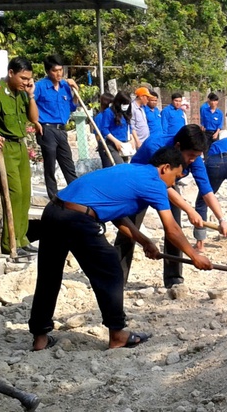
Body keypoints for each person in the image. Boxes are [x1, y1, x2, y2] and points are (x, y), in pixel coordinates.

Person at [28, 146, 213, 351]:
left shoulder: (132, 171)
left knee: (49, 275)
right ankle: (117, 334)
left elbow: (117, 215)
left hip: (54, 211)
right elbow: (173, 230)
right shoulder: (154, 183)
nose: (174, 183)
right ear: (165, 168)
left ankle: (40, 338)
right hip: (77, 219)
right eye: (176, 177)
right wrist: (195, 256)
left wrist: (145, 241)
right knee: (111, 269)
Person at [117, 124, 227, 286]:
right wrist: (190, 210)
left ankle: (173, 278)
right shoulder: (155, 147)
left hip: (168, 185)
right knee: (129, 231)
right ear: (178, 147)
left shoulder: (194, 157)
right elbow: (160, 184)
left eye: (196, 156)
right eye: (191, 155)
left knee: (173, 228)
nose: (192, 160)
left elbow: (206, 189)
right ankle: (117, 279)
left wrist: (222, 219)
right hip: (138, 186)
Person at [0, 57, 41, 256]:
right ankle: (10, 243)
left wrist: (31, 95)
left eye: (29, 79)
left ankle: (23, 239)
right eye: (23, 78)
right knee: (13, 194)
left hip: (20, 146)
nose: (26, 82)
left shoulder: (23, 94)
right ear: (11, 73)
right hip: (3, 147)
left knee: (25, 194)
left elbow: (33, 119)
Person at [32, 54, 78, 202]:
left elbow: (72, 107)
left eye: (60, 70)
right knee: (50, 163)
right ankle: (53, 197)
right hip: (46, 129)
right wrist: (34, 121)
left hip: (61, 129)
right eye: (55, 71)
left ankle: (77, 193)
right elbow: (29, 104)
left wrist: (75, 91)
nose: (59, 74)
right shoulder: (39, 86)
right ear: (48, 71)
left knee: (68, 163)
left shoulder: (65, 86)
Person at [98, 92, 135, 165]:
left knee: (126, 165)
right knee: (119, 165)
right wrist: (116, 142)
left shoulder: (125, 112)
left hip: (125, 144)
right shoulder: (108, 112)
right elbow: (104, 129)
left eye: (127, 103)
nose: (126, 106)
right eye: (124, 103)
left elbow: (128, 127)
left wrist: (132, 139)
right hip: (113, 144)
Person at [94, 93, 115, 168]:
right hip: (104, 145)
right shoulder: (100, 117)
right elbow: (98, 134)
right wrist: (101, 145)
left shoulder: (113, 115)